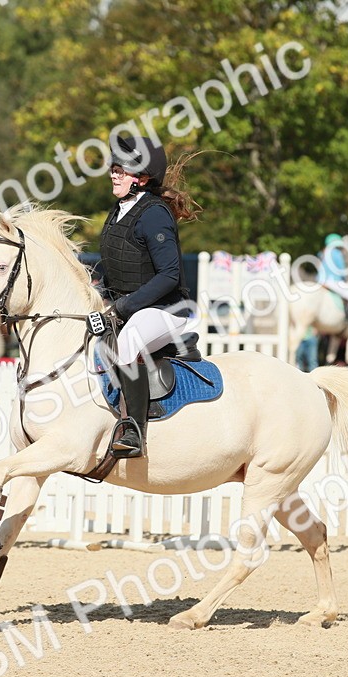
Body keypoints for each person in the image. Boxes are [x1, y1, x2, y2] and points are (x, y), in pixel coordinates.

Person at [98, 135, 198, 459]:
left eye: (121, 170)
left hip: (167, 310)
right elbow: (118, 265)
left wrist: (124, 305)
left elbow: (169, 275)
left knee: (129, 341)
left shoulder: (154, 214)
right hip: (131, 309)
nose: (114, 174)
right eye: (113, 168)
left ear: (141, 178)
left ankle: (133, 431)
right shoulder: (118, 211)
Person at [319, 233, 348, 323]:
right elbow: (342, 270)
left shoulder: (322, 253)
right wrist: (345, 280)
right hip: (333, 281)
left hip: (321, 281)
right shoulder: (337, 253)